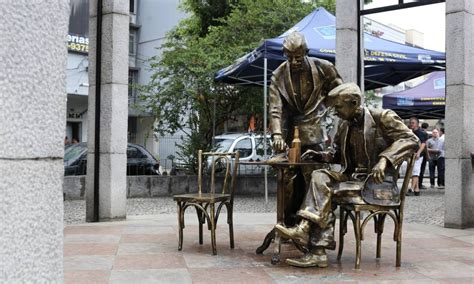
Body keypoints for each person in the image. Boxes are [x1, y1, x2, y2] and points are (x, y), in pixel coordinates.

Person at [275, 83, 419, 268]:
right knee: (320, 176)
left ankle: (316, 249)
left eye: (338, 107)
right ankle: (307, 235)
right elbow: (336, 154)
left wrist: (384, 160)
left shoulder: (382, 117)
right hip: (352, 179)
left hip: (377, 183)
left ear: (354, 102)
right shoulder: (344, 125)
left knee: (326, 194)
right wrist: (320, 155)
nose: (334, 112)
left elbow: (411, 139)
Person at [269, 31, 342, 226]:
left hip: (315, 134)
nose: (293, 62)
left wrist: (327, 108)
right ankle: (289, 223)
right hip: (290, 135)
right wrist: (277, 134)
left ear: (306, 53)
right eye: (289, 57)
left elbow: (340, 92)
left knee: (314, 180)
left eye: (298, 58)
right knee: (289, 182)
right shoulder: (278, 75)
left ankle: (314, 226)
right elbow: (275, 108)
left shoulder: (324, 67)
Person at [408, 117, 428, 196]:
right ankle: (417, 190)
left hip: (418, 155)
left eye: (413, 123)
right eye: (410, 123)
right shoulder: (411, 132)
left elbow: (423, 144)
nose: (411, 124)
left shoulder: (421, 132)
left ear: (417, 124)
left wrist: (419, 152)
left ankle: (412, 189)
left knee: (415, 172)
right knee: (415, 172)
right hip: (413, 154)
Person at [419, 122, 429, 189]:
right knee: (421, 169)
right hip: (423, 154)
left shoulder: (418, 132)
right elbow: (425, 145)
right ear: (427, 127)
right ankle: (420, 184)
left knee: (417, 170)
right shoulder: (425, 134)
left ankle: (417, 184)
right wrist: (427, 155)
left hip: (417, 153)